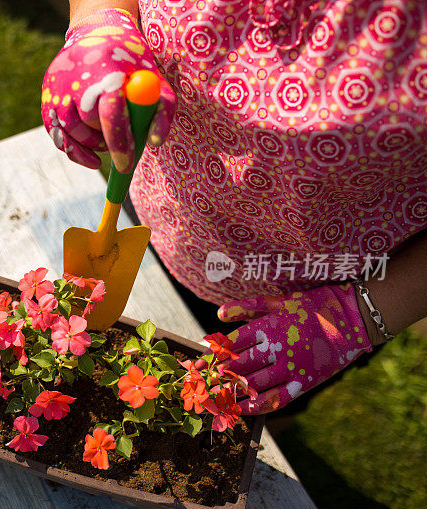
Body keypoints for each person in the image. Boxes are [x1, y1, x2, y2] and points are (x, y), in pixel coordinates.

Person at [41, 0, 427, 414]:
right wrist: (100, 21)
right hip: (164, 208)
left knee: (225, 417)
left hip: (305, 301)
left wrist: (361, 315)